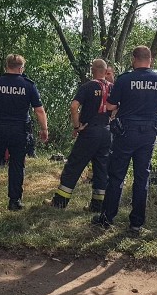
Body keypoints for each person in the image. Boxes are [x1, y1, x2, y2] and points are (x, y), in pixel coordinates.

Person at [93, 46, 157, 236]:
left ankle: (107, 218)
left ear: (134, 59)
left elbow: (110, 105)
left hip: (126, 132)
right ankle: (136, 224)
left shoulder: (125, 79)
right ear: (150, 60)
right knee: (142, 177)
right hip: (148, 133)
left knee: (117, 176)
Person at [0, 54, 49, 215]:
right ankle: (14, 201)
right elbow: (39, 110)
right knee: (17, 165)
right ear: (21, 68)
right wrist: (44, 129)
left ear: (6, 66)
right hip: (19, 131)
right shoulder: (28, 85)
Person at [44, 59, 113, 212]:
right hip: (106, 132)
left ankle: (59, 202)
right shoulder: (112, 87)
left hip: (90, 132)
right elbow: (117, 108)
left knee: (74, 165)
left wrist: (77, 126)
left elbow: (74, 106)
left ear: (92, 70)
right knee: (101, 168)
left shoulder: (88, 86)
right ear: (105, 70)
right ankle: (98, 205)